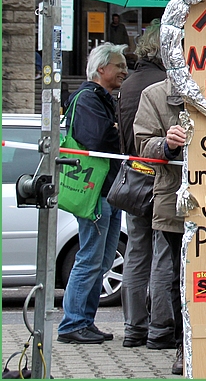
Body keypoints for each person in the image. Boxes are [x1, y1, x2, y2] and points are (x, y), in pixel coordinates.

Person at [56, 43, 128, 344]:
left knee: (103, 259)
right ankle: (72, 323)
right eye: (119, 65)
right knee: (89, 258)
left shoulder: (102, 99)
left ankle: (85, 320)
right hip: (95, 191)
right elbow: (99, 138)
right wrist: (114, 128)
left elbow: (111, 134)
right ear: (101, 69)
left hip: (107, 189)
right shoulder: (88, 98)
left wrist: (113, 127)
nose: (125, 70)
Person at [115, 21, 176, 350]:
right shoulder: (162, 85)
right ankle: (160, 327)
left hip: (132, 177)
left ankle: (133, 327)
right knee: (163, 255)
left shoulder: (128, 83)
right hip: (159, 177)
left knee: (136, 253)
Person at [134, 77, 187, 376]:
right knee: (181, 278)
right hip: (175, 201)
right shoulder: (154, 95)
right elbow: (143, 144)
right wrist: (166, 144)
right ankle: (184, 345)